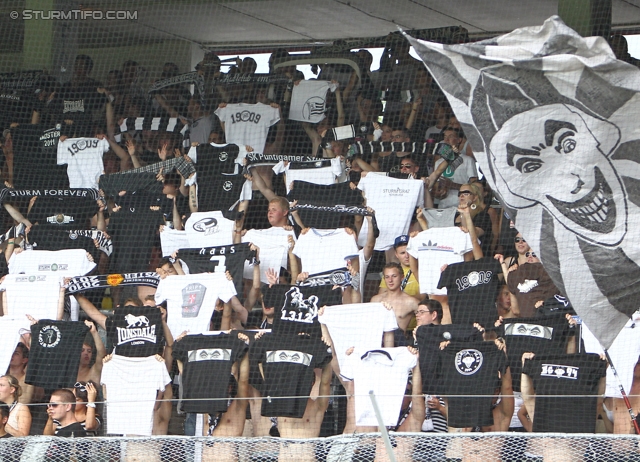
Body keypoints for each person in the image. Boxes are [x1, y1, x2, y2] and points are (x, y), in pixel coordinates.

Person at [371, 262, 418, 346]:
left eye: (394, 276)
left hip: (400, 343)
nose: (390, 280)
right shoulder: (376, 300)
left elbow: (425, 320)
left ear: (402, 277)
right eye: (387, 277)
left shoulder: (411, 302)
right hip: (377, 342)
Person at [378, 235, 420, 299]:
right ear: (396, 254)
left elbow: (421, 297)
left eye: (409, 252)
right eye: (402, 253)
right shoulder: (391, 271)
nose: (407, 256)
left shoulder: (421, 271)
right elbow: (381, 297)